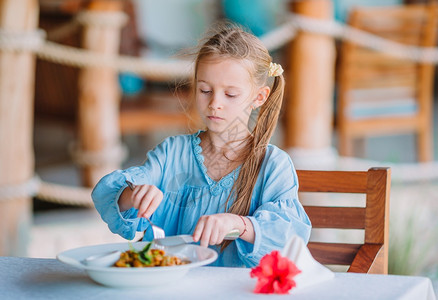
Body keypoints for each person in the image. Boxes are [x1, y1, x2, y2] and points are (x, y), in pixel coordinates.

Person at [92, 23, 311, 267]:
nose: (214, 103)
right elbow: (108, 194)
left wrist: (239, 225)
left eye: (230, 94)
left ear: (259, 97)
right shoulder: (172, 153)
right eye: (205, 90)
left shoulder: (273, 165)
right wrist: (133, 195)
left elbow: (290, 238)